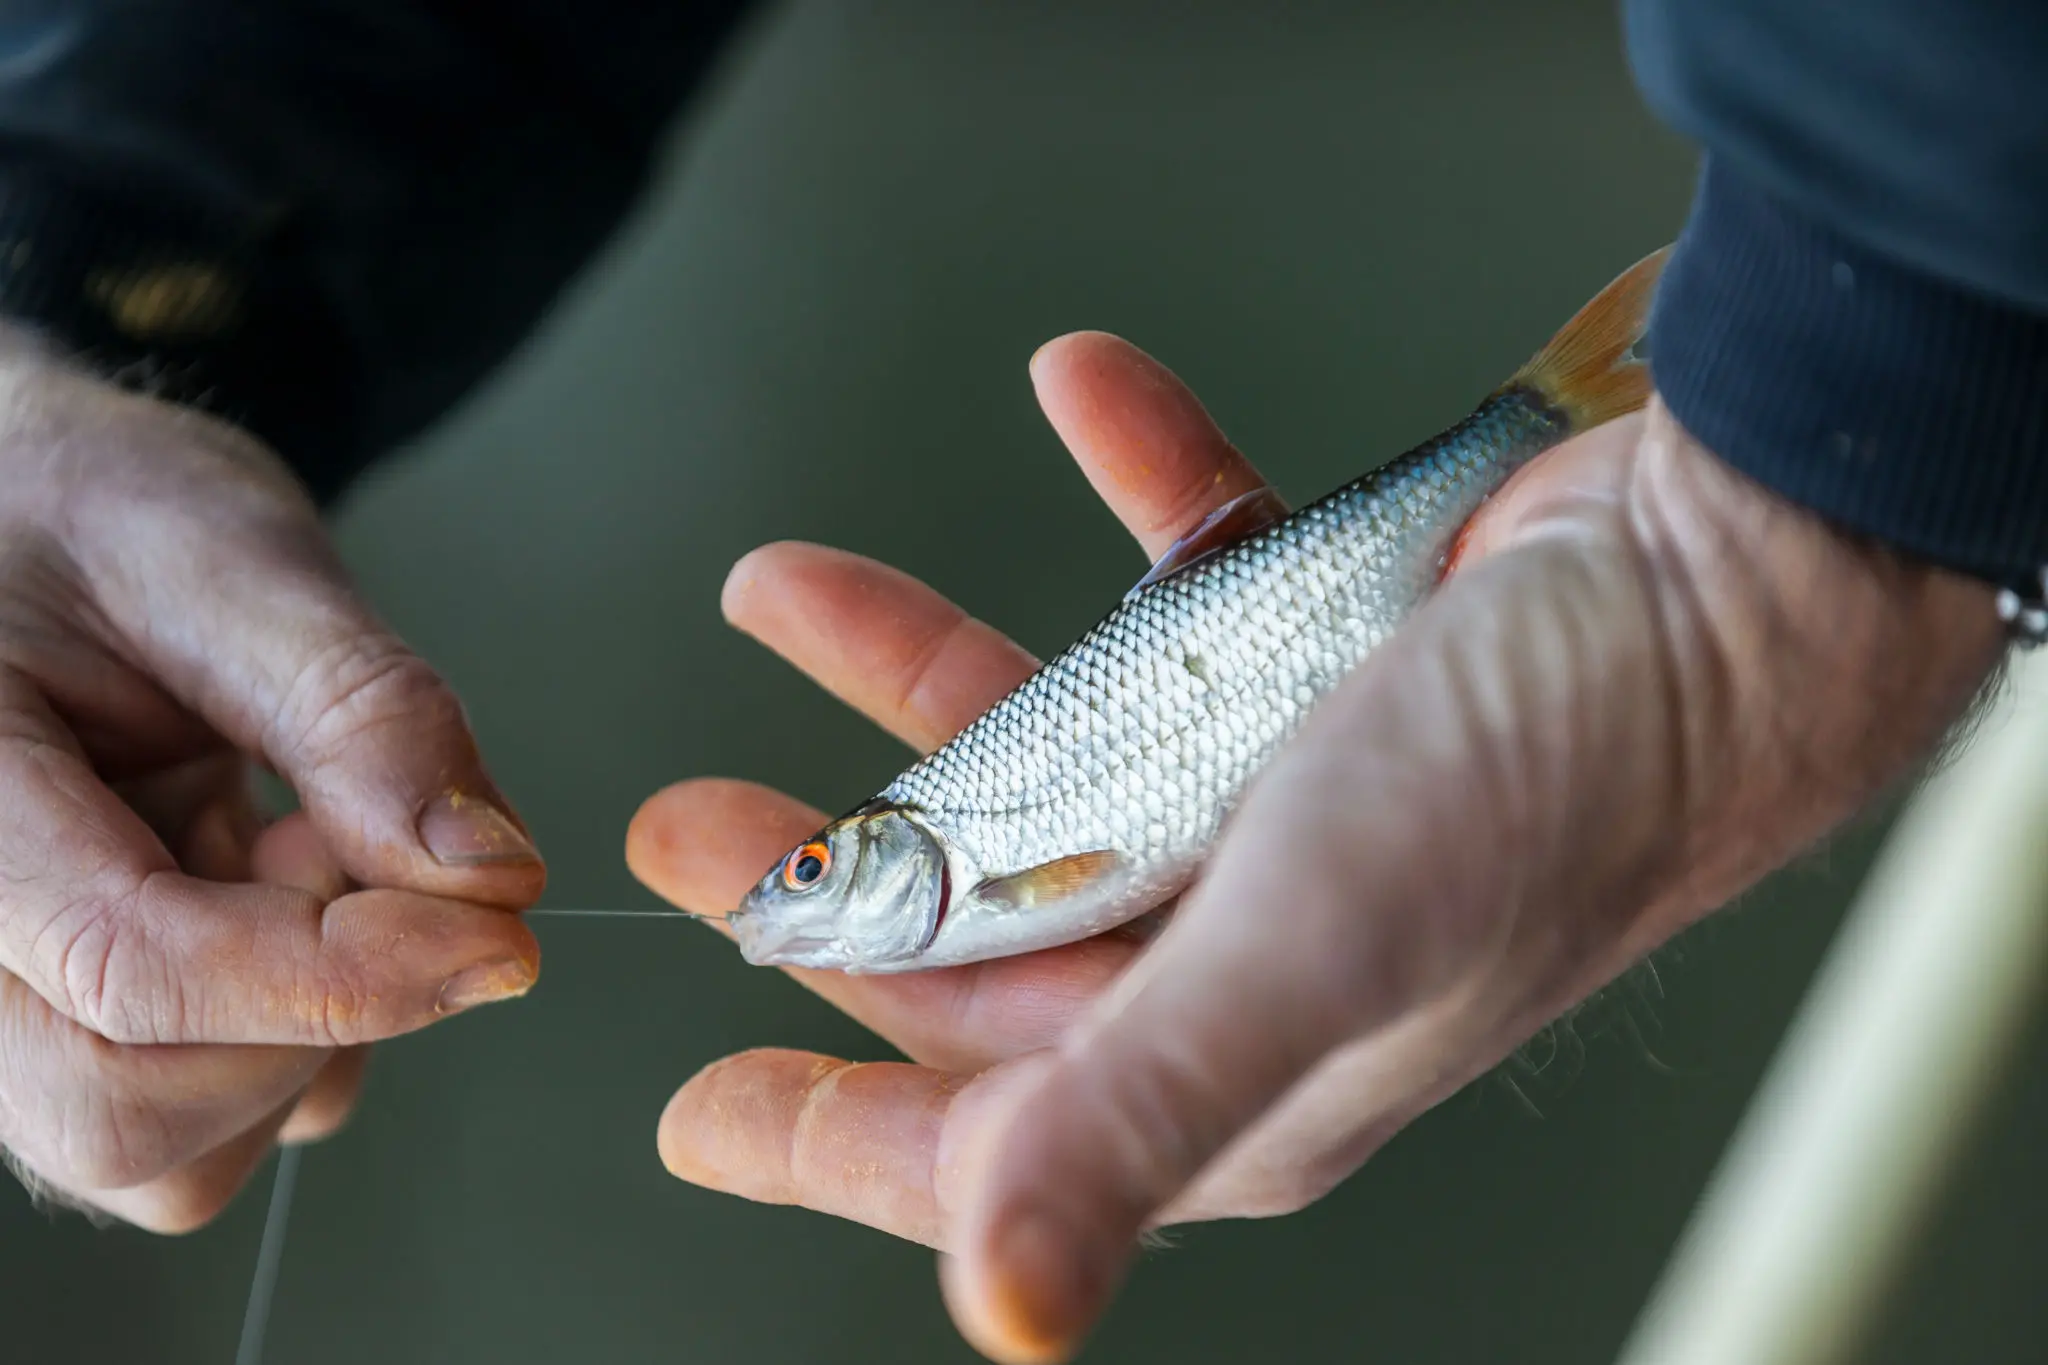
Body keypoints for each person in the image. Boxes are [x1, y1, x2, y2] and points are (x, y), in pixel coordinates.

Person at [0, 2, 2038, 1362]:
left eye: (808, 881)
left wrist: (1855, 438)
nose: (782, 901)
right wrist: (75, 290)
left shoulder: (983, 869)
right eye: (804, 889)